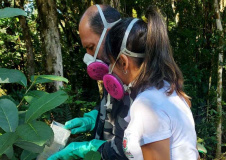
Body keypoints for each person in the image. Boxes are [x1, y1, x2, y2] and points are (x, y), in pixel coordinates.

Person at [103, 6, 199, 160]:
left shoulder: (147, 106)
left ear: (123, 62)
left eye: (110, 62)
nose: (109, 69)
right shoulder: (168, 90)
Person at [48, 4, 132, 160]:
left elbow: (131, 149)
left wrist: (89, 149)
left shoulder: (137, 79)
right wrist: (92, 118)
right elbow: (110, 105)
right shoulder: (112, 73)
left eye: (91, 47)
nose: (89, 57)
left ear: (110, 35)